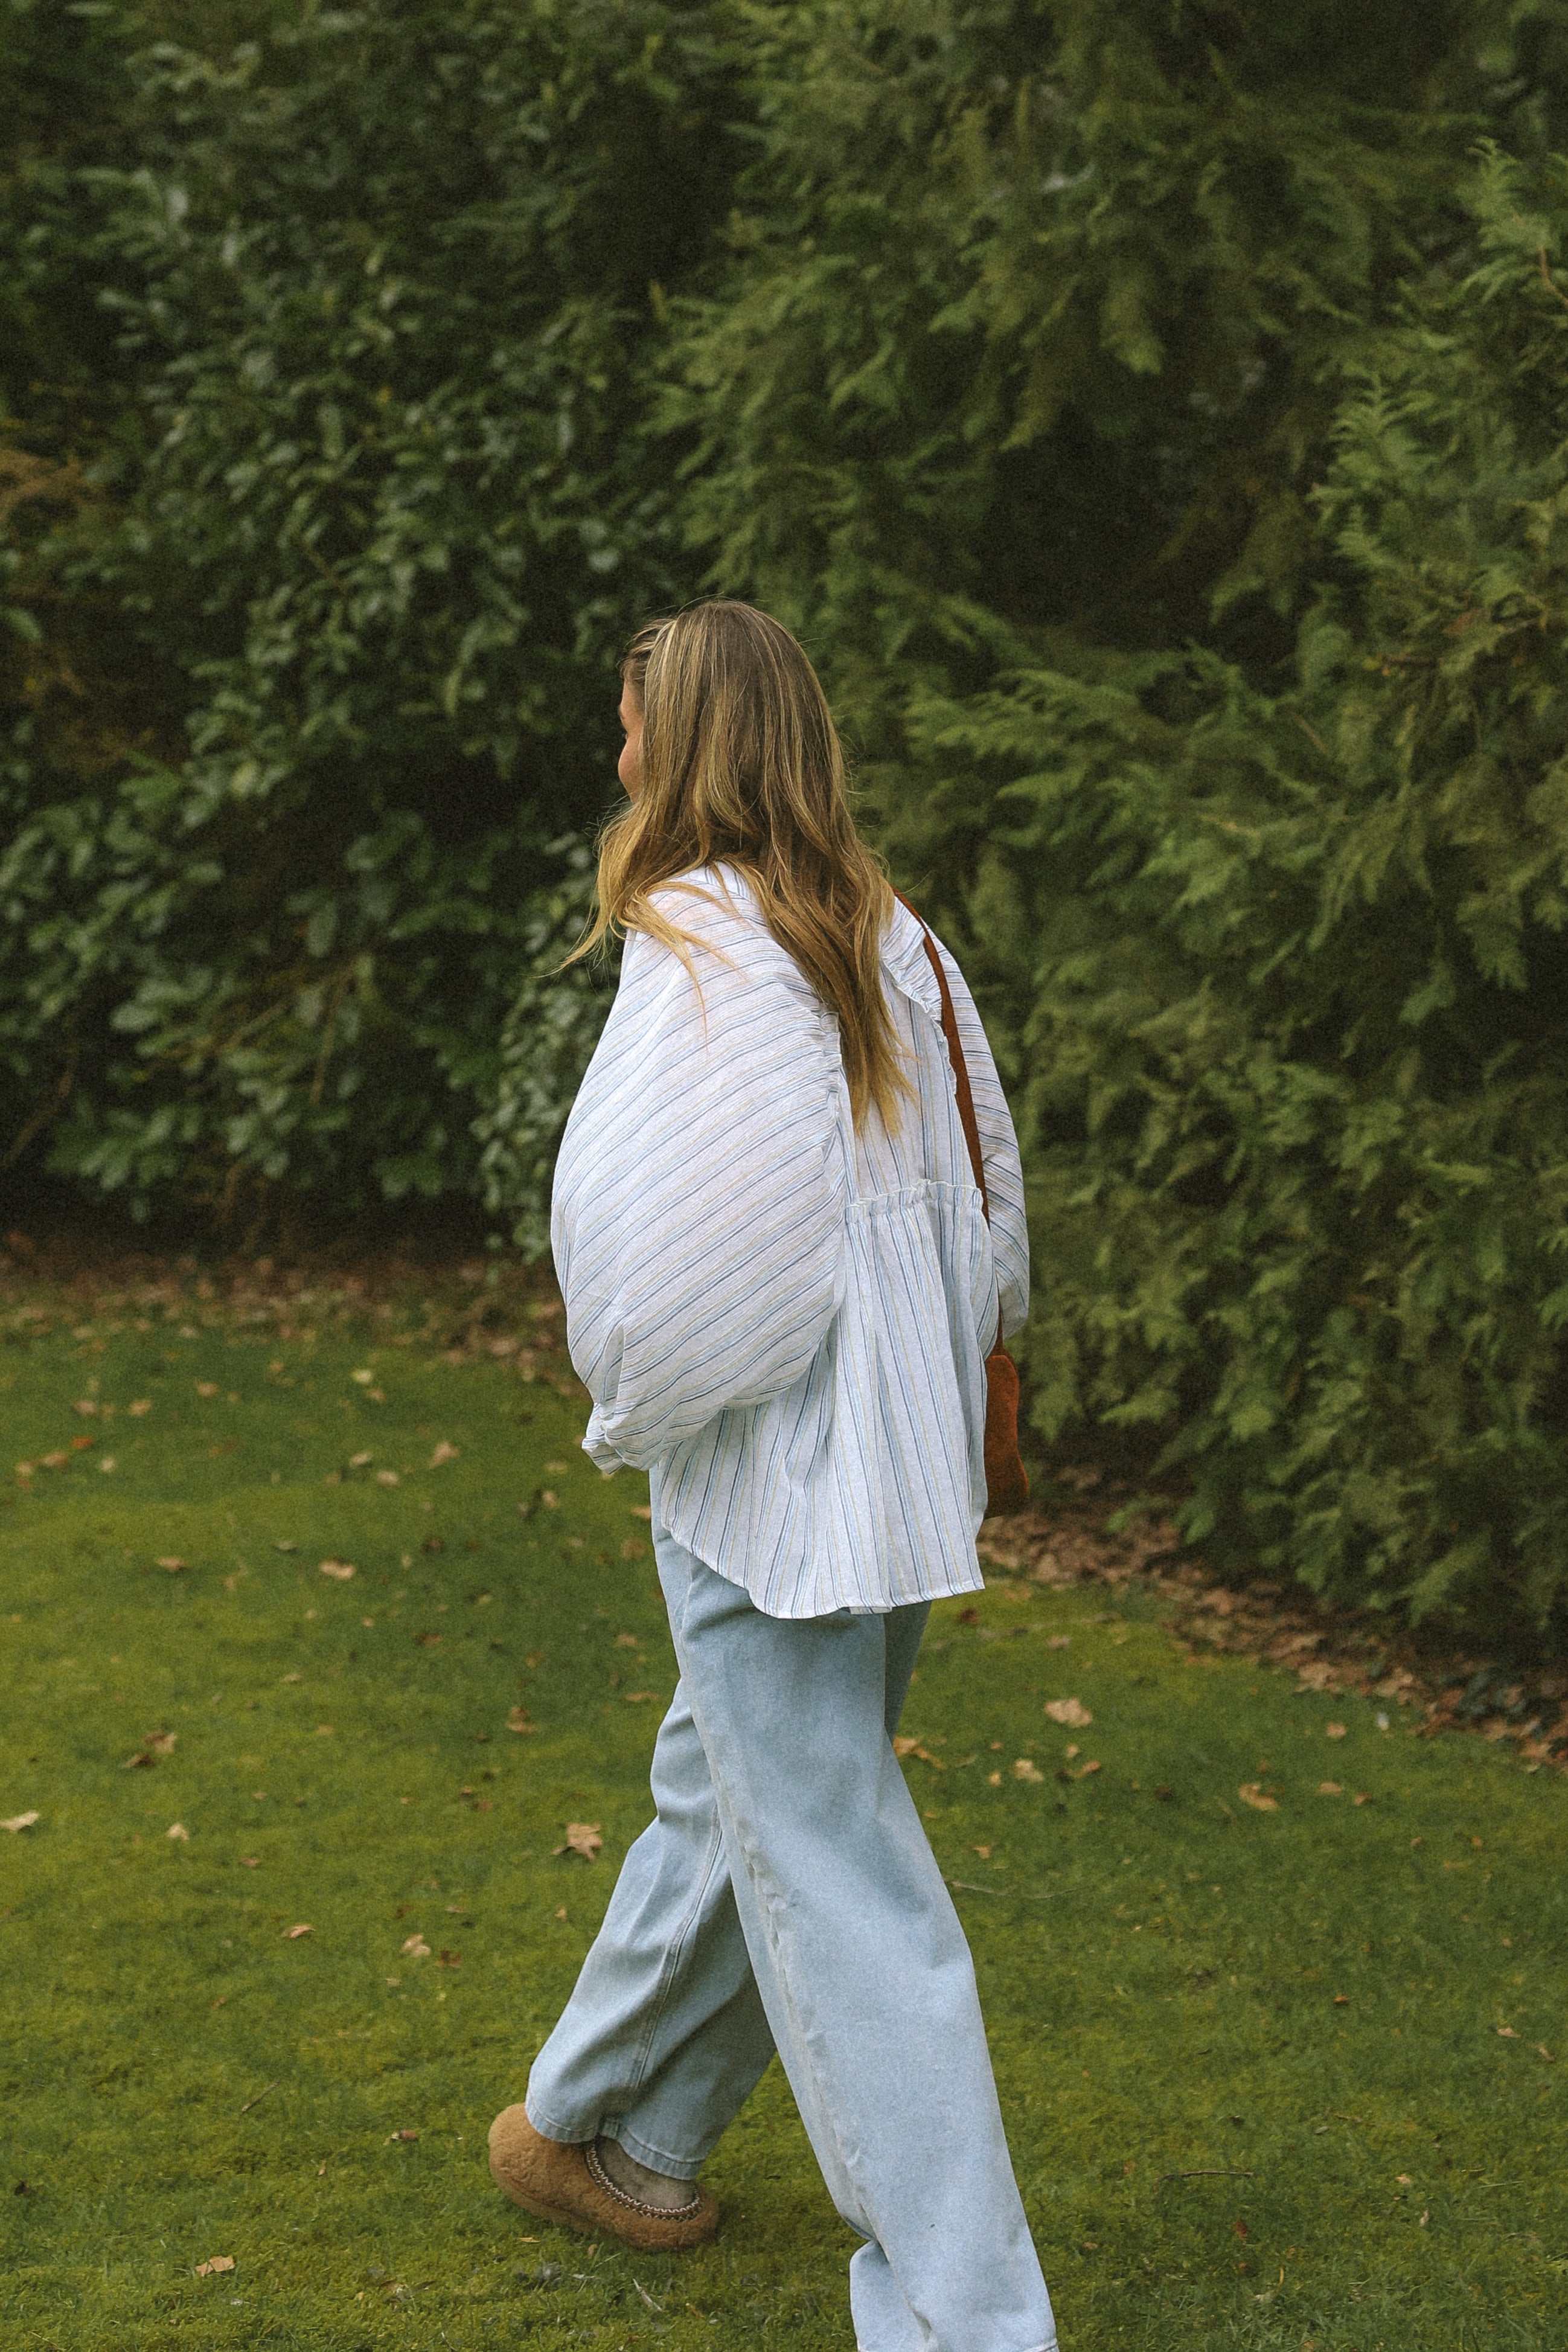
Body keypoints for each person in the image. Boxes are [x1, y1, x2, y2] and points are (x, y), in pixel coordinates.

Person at [487, 600, 1057, 2352]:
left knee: (841, 1884)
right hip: (893, 1478)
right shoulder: (897, 936)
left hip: (778, 1483)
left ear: (698, 742)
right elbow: (993, 1205)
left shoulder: (707, 945)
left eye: (637, 722)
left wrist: (637, 1412)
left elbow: (681, 1261)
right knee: (721, 1790)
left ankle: (967, 2318)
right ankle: (615, 2136)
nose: (619, 753)